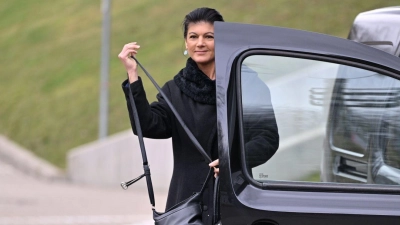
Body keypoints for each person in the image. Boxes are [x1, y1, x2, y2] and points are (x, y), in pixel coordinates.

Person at [119, 7, 224, 224]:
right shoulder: (175, 89)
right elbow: (148, 126)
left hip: (234, 199)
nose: (200, 43)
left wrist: (233, 162)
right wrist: (132, 75)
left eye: (209, 36)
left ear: (222, 40)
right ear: (186, 43)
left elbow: (266, 137)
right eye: (193, 36)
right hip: (187, 205)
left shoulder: (242, 84)